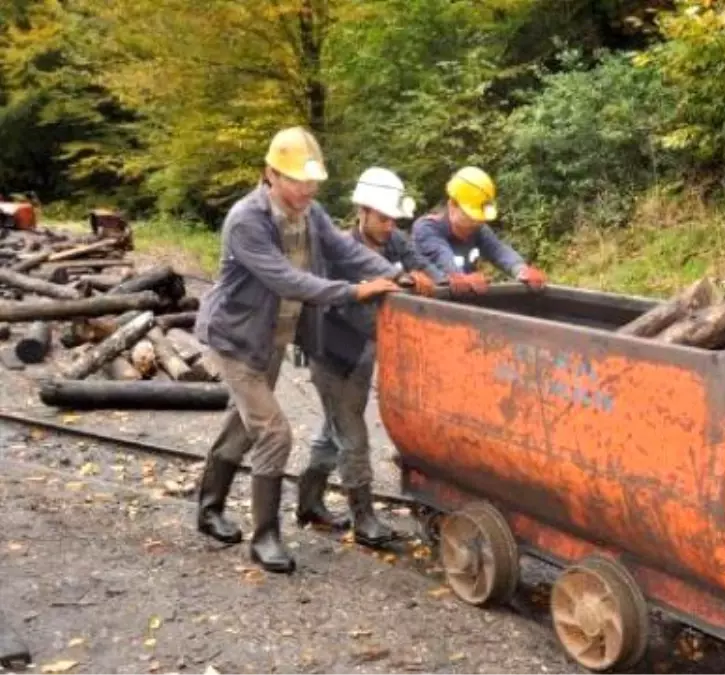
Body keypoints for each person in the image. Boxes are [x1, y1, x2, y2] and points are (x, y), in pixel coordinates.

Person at [193, 126, 405, 575]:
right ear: (271, 174)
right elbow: (288, 280)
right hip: (236, 339)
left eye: (312, 182)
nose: (307, 190)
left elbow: (344, 250)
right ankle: (264, 536)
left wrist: (394, 273)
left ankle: (208, 509)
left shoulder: (312, 212)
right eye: (297, 181)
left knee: (245, 425)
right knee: (273, 432)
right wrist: (355, 291)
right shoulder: (246, 220)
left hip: (272, 339)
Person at [296, 167, 445, 548]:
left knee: (333, 430)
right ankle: (363, 519)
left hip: (363, 352)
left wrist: (437, 281)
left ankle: (309, 503)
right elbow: (351, 308)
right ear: (362, 211)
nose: (389, 225)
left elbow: (426, 270)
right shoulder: (338, 250)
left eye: (393, 218)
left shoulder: (395, 241)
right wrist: (402, 284)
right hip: (331, 351)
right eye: (382, 218)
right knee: (352, 432)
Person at [412, 166, 548, 293]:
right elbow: (445, 262)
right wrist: (460, 276)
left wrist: (521, 270)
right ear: (453, 205)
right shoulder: (427, 228)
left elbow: (498, 250)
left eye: (479, 218)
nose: (476, 222)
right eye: (471, 216)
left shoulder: (477, 227)